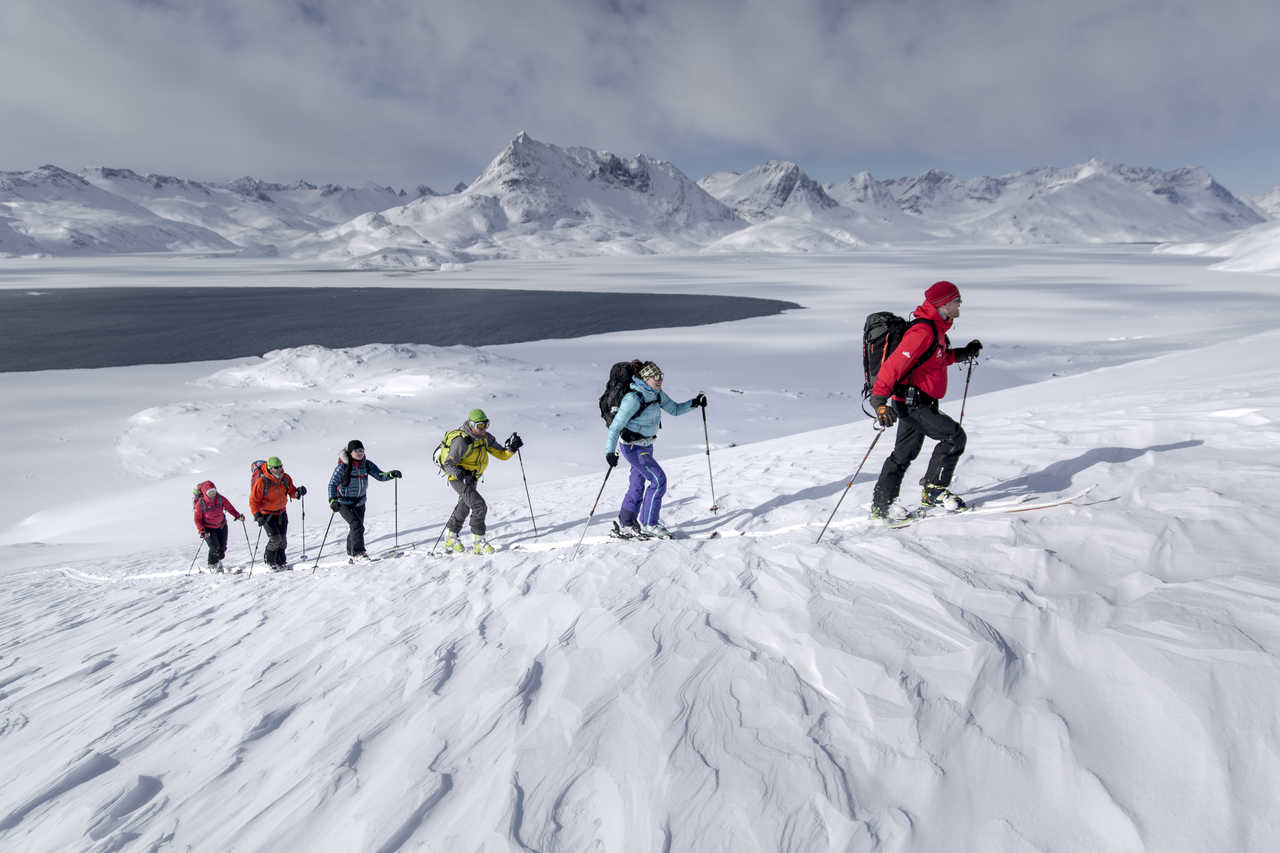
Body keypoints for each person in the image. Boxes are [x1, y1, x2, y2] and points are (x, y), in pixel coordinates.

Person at [867, 280, 982, 521]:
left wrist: (965, 353)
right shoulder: (923, 331)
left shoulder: (937, 330)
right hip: (912, 403)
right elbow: (893, 367)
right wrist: (879, 403)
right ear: (944, 303)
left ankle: (882, 505)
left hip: (918, 401)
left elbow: (938, 359)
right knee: (954, 436)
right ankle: (933, 490)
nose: (960, 302)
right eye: (956, 299)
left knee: (903, 453)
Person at [603, 360, 706, 539]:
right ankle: (650, 523)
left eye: (660, 376)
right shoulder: (633, 398)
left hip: (646, 446)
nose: (659, 380)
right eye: (654, 377)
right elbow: (615, 427)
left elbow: (674, 409)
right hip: (633, 447)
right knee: (658, 480)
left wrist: (694, 403)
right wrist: (610, 452)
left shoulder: (656, 394)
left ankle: (626, 523)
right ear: (644, 378)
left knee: (637, 485)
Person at [438, 409, 522, 555]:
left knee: (464, 506)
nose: (483, 429)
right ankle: (479, 543)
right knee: (479, 505)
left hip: (472, 478)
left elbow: (501, 454)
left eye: (486, 425)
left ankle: (451, 537)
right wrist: (462, 475)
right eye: (480, 426)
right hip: (458, 479)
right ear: (471, 425)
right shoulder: (461, 441)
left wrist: (512, 448)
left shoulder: (485, 438)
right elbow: (448, 465)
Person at [328, 439, 401, 562]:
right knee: (356, 525)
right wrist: (332, 500)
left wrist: (390, 475)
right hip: (343, 503)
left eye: (362, 450)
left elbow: (379, 475)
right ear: (350, 452)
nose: (360, 453)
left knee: (357, 527)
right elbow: (332, 484)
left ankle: (351, 553)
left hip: (360, 503)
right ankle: (358, 553)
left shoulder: (366, 464)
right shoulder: (342, 467)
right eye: (357, 450)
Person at [249, 455, 307, 570]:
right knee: (275, 539)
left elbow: (291, 491)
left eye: (280, 466)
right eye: (276, 467)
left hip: (281, 512)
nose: (279, 469)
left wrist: (298, 492)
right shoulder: (262, 481)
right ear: (270, 468)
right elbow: (253, 500)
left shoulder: (285, 478)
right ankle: (270, 561)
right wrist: (257, 515)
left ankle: (281, 561)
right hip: (266, 514)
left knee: (283, 540)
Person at [193, 480, 244, 573]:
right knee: (215, 547)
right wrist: (202, 531)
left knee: (222, 548)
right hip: (208, 529)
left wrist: (237, 515)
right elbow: (197, 519)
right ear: (205, 493)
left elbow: (229, 507)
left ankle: (217, 561)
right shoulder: (200, 504)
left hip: (222, 525)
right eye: (209, 492)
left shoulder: (220, 498)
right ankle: (212, 564)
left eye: (213, 491)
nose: (212, 494)